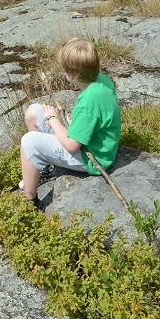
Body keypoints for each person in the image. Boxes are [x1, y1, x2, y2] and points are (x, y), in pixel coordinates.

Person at [20, 37, 121, 206]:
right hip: (91, 142)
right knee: (33, 112)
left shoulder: (89, 102)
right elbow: (94, 118)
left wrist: (53, 119)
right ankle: (45, 168)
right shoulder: (101, 79)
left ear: (72, 74)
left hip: (92, 158)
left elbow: (71, 145)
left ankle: (30, 201)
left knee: (28, 141)